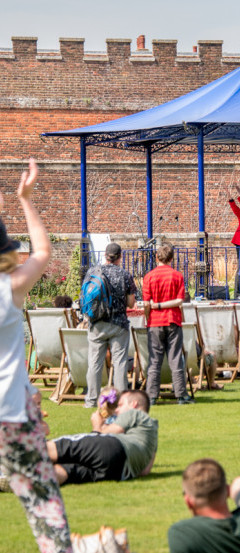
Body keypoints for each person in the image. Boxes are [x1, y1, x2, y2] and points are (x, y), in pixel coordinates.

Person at [0, 159, 73, 552]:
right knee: (44, 509)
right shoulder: (9, 287)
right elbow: (42, 251)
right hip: (11, 415)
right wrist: (24, 200)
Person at [47, 390, 158, 485]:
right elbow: (145, 471)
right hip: (119, 472)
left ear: (134, 404)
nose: (117, 410)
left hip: (113, 446)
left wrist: (97, 424)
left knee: (57, 448)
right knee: (70, 470)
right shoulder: (152, 433)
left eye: (120, 405)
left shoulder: (134, 413)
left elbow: (107, 433)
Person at [84, 242, 137, 407]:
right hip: (118, 324)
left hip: (96, 322)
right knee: (119, 362)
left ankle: (91, 399)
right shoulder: (124, 275)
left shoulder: (92, 272)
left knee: (94, 362)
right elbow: (130, 303)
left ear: (105, 255)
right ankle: (119, 400)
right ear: (120, 257)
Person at [142, 243, 194, 406]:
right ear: (171, 259)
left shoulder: (149, 277)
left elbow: (146, 304)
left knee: (155, 360)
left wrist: (152, 311)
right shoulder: (177, 276)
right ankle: (180, 394)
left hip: (155, 322)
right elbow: (179, 301)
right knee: (176, 358)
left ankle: (151, 395)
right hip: (173, 319)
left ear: (157, 258)